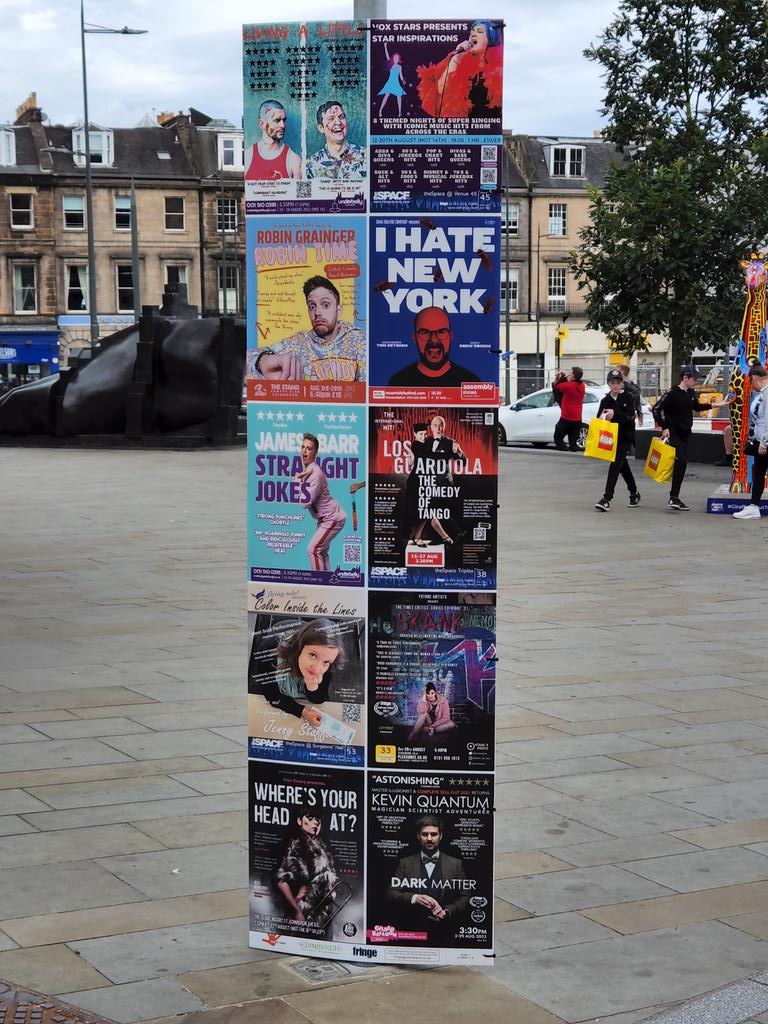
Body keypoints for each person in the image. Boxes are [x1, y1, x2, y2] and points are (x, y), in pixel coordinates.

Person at [253, 276, 365, 383]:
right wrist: (262, 361)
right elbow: (249, 357)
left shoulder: (358, 341)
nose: (317, 313)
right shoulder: (299, 344)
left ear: (338, 310)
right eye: (312, 306)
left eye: (325, 305)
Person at [653, 365, 729, 511]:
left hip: (685, 434)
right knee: (681, 461)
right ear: (685, 378)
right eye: (694, 379)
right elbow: (656, 409)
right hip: (673, 433)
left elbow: (697, 407)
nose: (697, 382)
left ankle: (674, 497)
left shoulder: (690, 392)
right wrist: (664, 427)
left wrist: (715, 404)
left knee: (681, 465)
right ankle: (673, 497)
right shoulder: (671, 393)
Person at [255, 617, 343, 730]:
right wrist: (303, 712)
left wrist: (312, 686)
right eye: (312, 655)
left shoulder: (328, 658)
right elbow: (273, 696)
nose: (316, 668)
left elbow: (320, 698)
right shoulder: (268, 651)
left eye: (326, 662)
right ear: (300, 647)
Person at [387, 816, 470, 929]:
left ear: (440, 836)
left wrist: (448, 911)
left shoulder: (456, 864)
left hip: (446, 928)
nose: (429, 838)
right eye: (425, 834)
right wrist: (414, 898)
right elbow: (391, 893)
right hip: (412, 926)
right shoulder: (405, 863)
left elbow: (465, 896)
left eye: (434, 834)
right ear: (418, 836)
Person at [416, 20, 503, 118]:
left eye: (479, 31)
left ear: (490, 40)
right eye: (472, 32)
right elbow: (440, 91)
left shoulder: (496, 71)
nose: (473, 34)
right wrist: (455, 59)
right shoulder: (457, 62)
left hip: (485, 129)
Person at [274, 808, 339, 929]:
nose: (315, 822)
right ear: (299, 821)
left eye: (318, 819)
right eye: (310, 818)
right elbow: (281, 881)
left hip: (322, 915)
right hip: (305, 912)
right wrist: (297, 910)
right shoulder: (298, 844)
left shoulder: (321, 847)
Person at [387, 307, 480, 388]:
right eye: (425, 333)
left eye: (441, 332)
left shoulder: (471, 382)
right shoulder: (398, 382)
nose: (434, 339)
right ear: (414, 337)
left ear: (451, 336)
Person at [295, 433, 348, 572]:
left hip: (332, 518)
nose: (305, 451)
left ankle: (319, 583)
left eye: (309, 448)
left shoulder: (314, 474)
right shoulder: (308, 471)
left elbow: (304, 502)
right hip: (325, 518)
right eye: (303, 447)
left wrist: (297, 483)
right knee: (321, 552)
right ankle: (328, 584)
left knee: (313, 549)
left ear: (315, 453)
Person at [594, 369, 641, 512]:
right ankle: (634, 492)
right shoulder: (605, 400)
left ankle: (607, 498)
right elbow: (599, 419)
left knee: (615, 465)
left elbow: (630, 417)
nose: (615, 386)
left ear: (622, 384)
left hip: (626, 437)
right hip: (612, 439)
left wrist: (615, 414)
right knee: (622, 465)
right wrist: (604, 416)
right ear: (608, 384)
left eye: (618, 383)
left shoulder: (628, 397)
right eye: (612, 383)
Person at [733, 363, 768, 519]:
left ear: (754, 378)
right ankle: (754, 506)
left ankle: (754, 507)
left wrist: (764, 443)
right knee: (758, 472)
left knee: (759, 472)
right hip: (761, 442)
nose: (750, 384)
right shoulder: (763, 393)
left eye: (750, 381)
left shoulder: (766, 394)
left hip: (764, 443)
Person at [306, 101, 366, 181]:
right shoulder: (310, 165)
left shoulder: (366, 156)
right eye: (331, 119)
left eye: (341, 117)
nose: (338, 123)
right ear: (321, 128)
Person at [244, 100, 302, 181]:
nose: (283, 125)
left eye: (284, 120)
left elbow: (301, 193)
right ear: (262, 124)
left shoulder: (293, 160)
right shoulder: (248, 156)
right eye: (277, 120)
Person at [552, 367, 586, 451]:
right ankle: (573, 454)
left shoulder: (569, 385)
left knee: (558, 436)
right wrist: (567, 378)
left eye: (570, 372)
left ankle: (564, 452)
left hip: (567, 417)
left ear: (573, 375)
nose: (569, 373)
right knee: (573, 441)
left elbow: (557, 386)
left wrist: (563, 376)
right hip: (577, 418)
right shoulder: (582, 386)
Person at [378, 44, 406, 117]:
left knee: (399, 97)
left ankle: (399, 112)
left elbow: (401, 76)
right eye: (395, 58)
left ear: (398, 59)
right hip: (390, 82)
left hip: (396, 83)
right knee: (386, 96)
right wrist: (385, 46)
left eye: (397, 58)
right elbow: (387, 56)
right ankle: (380, 110)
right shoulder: (391, 65)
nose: (396, 59)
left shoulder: (399, 67)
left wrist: (403, 80)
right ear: (393, 59)